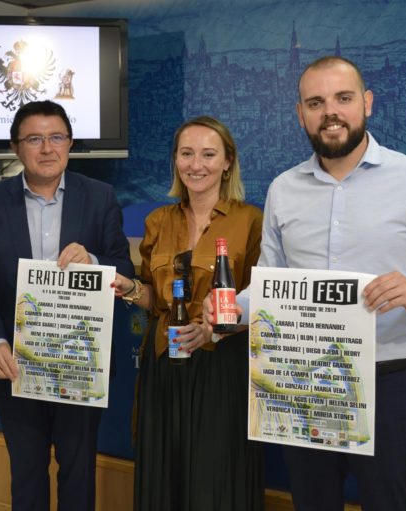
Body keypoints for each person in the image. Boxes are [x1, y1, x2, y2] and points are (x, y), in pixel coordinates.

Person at [206, 56, 406, 511]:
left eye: (343, 98)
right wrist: (234, 309)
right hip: (300, 379)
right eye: (316, 102)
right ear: (301, 114)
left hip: (385, 382)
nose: (330, 112)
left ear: (366, 103)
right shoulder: (283, 189)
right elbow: (270, 284)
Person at [0, 100, 134, 511]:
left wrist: (94, 262)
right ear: (16, 147)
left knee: (78, 472)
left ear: (70, 143)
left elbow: (124, 268)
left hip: (80, 361)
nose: (47, 148)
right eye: (34, 139)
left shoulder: (100, 197)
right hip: (16, 363)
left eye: (56, 137)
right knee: (26, 473)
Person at [112, 116, 264, 511]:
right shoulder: (158, 220)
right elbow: (154, 297)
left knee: (214, 480)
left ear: (227, 162)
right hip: (164, 363)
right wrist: (129, 288)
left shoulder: (251, 221)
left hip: (222, 368)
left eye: (208, 155)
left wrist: (212, 330)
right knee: (165, 475)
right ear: (176, 160)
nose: (196, 165)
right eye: (186, 154)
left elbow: (260, 303)